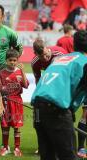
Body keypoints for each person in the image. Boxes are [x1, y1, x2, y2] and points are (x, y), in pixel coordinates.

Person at [31, 30, 87, 160]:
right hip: (56, 108)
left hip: (38, 108)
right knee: (68, 156)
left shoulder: (60, 58)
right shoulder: (84, 62)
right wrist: (69, 111)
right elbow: (81, 91)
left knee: (48, 156)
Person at [0, 49, 29, 157]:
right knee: (5, 126)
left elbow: (26, 85)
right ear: (6, 60)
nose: (12, 62)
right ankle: (5, 147)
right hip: (6, 102)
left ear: (17, 60)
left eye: (14, 60)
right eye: (10, 60)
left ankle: (17, 148)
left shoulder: (20, 72)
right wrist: (0, 105)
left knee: (17, 126)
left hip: (17, 102)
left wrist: (23, 71)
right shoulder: (1, 73)